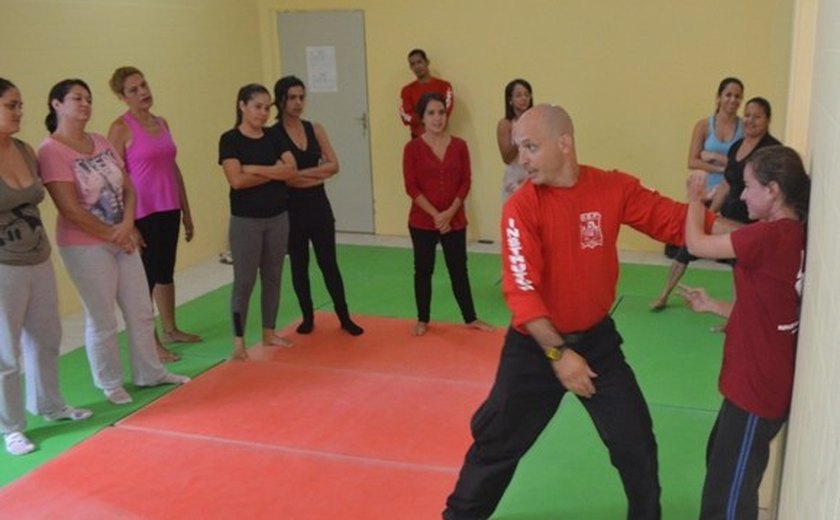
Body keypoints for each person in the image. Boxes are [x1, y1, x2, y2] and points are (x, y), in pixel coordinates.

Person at [443, 104, 716, 520]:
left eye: (531, 146)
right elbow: (521, 291)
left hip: (596, 343)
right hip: (535, 350)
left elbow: (678, 222)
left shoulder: (611, 188)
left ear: (564, 143)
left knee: (636, 444)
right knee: (496, 447)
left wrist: (763, 232)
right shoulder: (521, 207)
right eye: (520, 148)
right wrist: (558, 354)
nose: (523, 159)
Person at [38, 79, 189, 405]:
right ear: (57, 105)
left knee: (139, 309)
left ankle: (150, 372)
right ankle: (109, 383)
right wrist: (113, 234)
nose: (85, 104)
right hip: (85, 245)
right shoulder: (51, 150)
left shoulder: (100, 140)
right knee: (103, 317)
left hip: (122, 237)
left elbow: (129, 187)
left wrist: (127, 224)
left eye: (88, 99)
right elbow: (70, 208)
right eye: (77, 98)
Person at [679, 145, 809, 519]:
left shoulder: (768, 238)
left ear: (774, 191)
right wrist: (714, 306)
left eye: (749, 186)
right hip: (752, 383)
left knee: (728, 500)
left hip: (756, 390)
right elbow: (767, 309)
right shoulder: (786, 234)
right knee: (718, 465)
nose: (742, 195)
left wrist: (694, 199)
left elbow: (695, 244)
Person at [0, 78, 92, 456]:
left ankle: (51, 405)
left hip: (37, 255)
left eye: (20, 104)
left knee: (47, 336)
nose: (20, 112)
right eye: (11, 105)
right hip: (4, 264)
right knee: (6, 351)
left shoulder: (23, 149)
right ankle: (11, 427)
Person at [652, 94, 780, 314]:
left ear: (767, 120)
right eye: (747, 115)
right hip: (727, 211)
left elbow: (774, 193)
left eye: (757, 117)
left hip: (749, 218)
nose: (750, 120)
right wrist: (707, 214)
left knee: (739, 266)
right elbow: (726, 185)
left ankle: (736, 314)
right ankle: (663, 294)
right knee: (687, 247)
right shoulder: (737, 146)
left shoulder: (771, 151)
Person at [107, 66, 200, 363]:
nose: (143, 92)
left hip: (168, 206)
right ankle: (151, 343)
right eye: (133, 90)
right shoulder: (120, 128)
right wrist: (127, 222)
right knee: (144, 279)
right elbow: (115, 177)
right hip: (142, 212)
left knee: (165, 271)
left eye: (143, 85)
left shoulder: (162, 123)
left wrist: (186, 210)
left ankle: (171, 328)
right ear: (123, 97)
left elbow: (173, 168)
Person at [270, 76, 363, 336]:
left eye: (301, 97)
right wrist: (315, 172)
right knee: (299, 264)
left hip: (319, 205)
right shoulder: (273, 134)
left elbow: (334, 165)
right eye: (292, 97)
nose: (298, 102)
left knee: (329, 263)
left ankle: (344, 316)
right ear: (281, 100)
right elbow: (285, 177)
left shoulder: (315, 129)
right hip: (292, 209)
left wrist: (301, 174)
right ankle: (308, 316)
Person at [403, 92, 493, 338]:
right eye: (431, 113)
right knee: (423, 269)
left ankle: (470, 317)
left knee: (458, 268)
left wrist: (450, 212)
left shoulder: (460, 146)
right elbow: (411, 187)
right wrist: (436, 215)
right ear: (422, 117)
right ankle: (422, 318)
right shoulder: (412, 148)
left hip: (454, 219)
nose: (437, 118)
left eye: (441, 112)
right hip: (422, 221)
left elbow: (465, 181)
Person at [218, 84, 298, 360]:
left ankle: (268, 331)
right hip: (246, 221)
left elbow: (291, 170)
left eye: (267, 108)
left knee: (273, 276)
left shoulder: (274, 137)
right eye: (258, 107)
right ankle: (239, 341)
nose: (263, 113)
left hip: (278, 217)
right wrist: (274, 172)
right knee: (244, 281)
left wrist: (256, 169)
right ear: (242, 105)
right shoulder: (230, 140)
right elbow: (237, 180)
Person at [399, 49, 454, 139]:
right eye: (413, 64)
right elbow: (406, 116)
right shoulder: (406, 91)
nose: (417, 66)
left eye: (419, 62)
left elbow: (446, 111)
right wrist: (430, 118)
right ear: (410, 67)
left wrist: (424, 118)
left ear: (427, 62)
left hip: (440, 138)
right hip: (417, 140)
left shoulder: (444, 86)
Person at [497, 78, 533, 200]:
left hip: (534, 177)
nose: (524, 98)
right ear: (510, 100)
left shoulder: (536, 121)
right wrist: (520, 136)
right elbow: (506, 158)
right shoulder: (505, 124)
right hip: (515, 181)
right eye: (518, 95)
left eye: (527, 95)